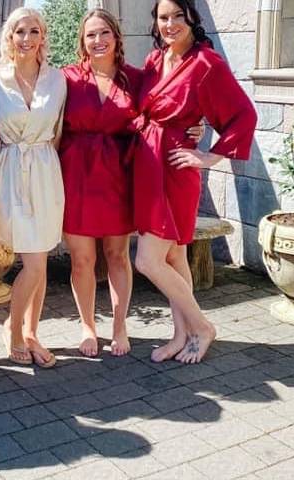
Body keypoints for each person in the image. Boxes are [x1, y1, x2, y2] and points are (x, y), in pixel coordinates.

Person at [60, 8, 202, 358]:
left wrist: (195, 127)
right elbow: (33, 98)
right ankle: (87, 326)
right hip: (75, 176)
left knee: (117, 256)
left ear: (116, 37)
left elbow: (172, 105)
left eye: (104, 33)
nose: (98, 41)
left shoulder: (137, 79)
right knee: (81, 260)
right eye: (91, 34)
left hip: (120, 177)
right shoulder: (66, 78)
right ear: (82, 40)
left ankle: (119, 326)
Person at [132, 0, 257, 364]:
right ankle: (180, 334)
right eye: (163, 17)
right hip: (149, 165)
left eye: (177, 16)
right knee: (173, 255)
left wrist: (208, 156)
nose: (170, 24)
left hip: (175, 169)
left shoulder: (206, 64)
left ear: (191, 18)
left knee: (148, 261)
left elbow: (242, 114)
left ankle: (202, 326)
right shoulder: (156, 60)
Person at [0, 7, 65, 367]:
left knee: (40, 257)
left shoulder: (58, 80)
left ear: (43, 36)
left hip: (46, 170)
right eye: (20, 32)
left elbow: (60, 130)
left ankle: (29, 331)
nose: (27, 38)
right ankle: (13, 329)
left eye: (34, 31)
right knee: (31, 262)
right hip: (11, 170)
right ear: (9, 37)